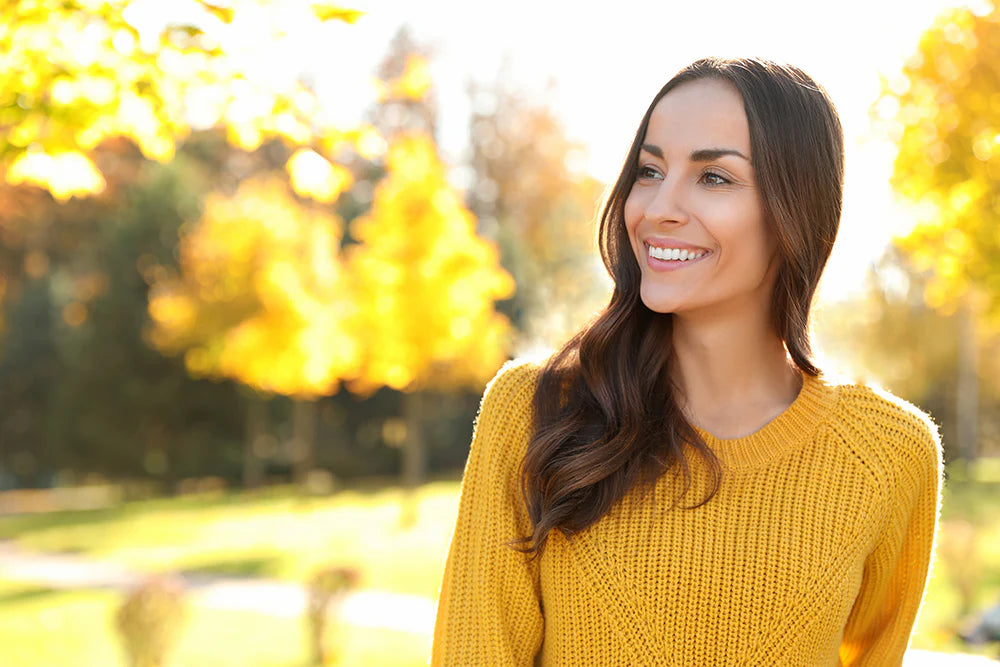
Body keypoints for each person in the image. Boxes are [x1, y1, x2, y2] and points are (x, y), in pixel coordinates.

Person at [430, 57, 943, 666]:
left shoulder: (889, 453)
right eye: (649, 170)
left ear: (796, 212)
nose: (657, 207)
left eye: (715, 178)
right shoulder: (537, 414)